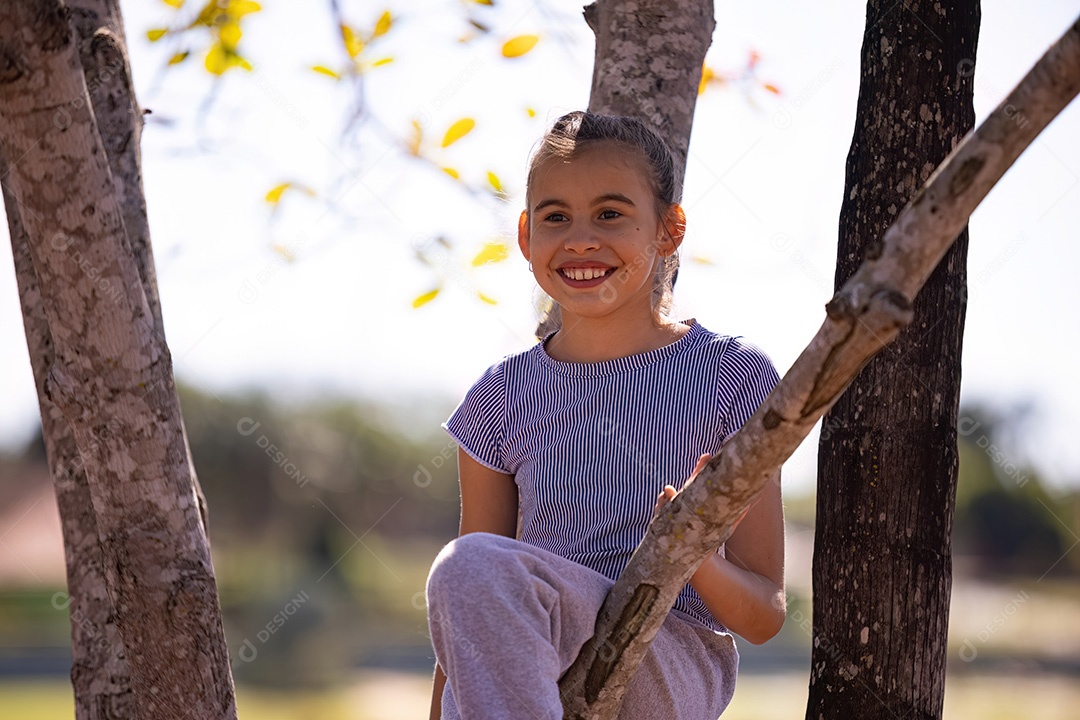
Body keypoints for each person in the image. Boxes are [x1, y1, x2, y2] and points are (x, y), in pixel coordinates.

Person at [426, 110, 786, 720]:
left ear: (669, 231)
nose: (581, 239)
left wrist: (690, 546)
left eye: (611, 214)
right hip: (530, 670)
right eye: (556, 217)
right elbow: (470, 613)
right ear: (525, 236)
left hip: (666, 659)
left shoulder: (735, 377)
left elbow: (764, 616)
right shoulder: (501, 395)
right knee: (466, 568)